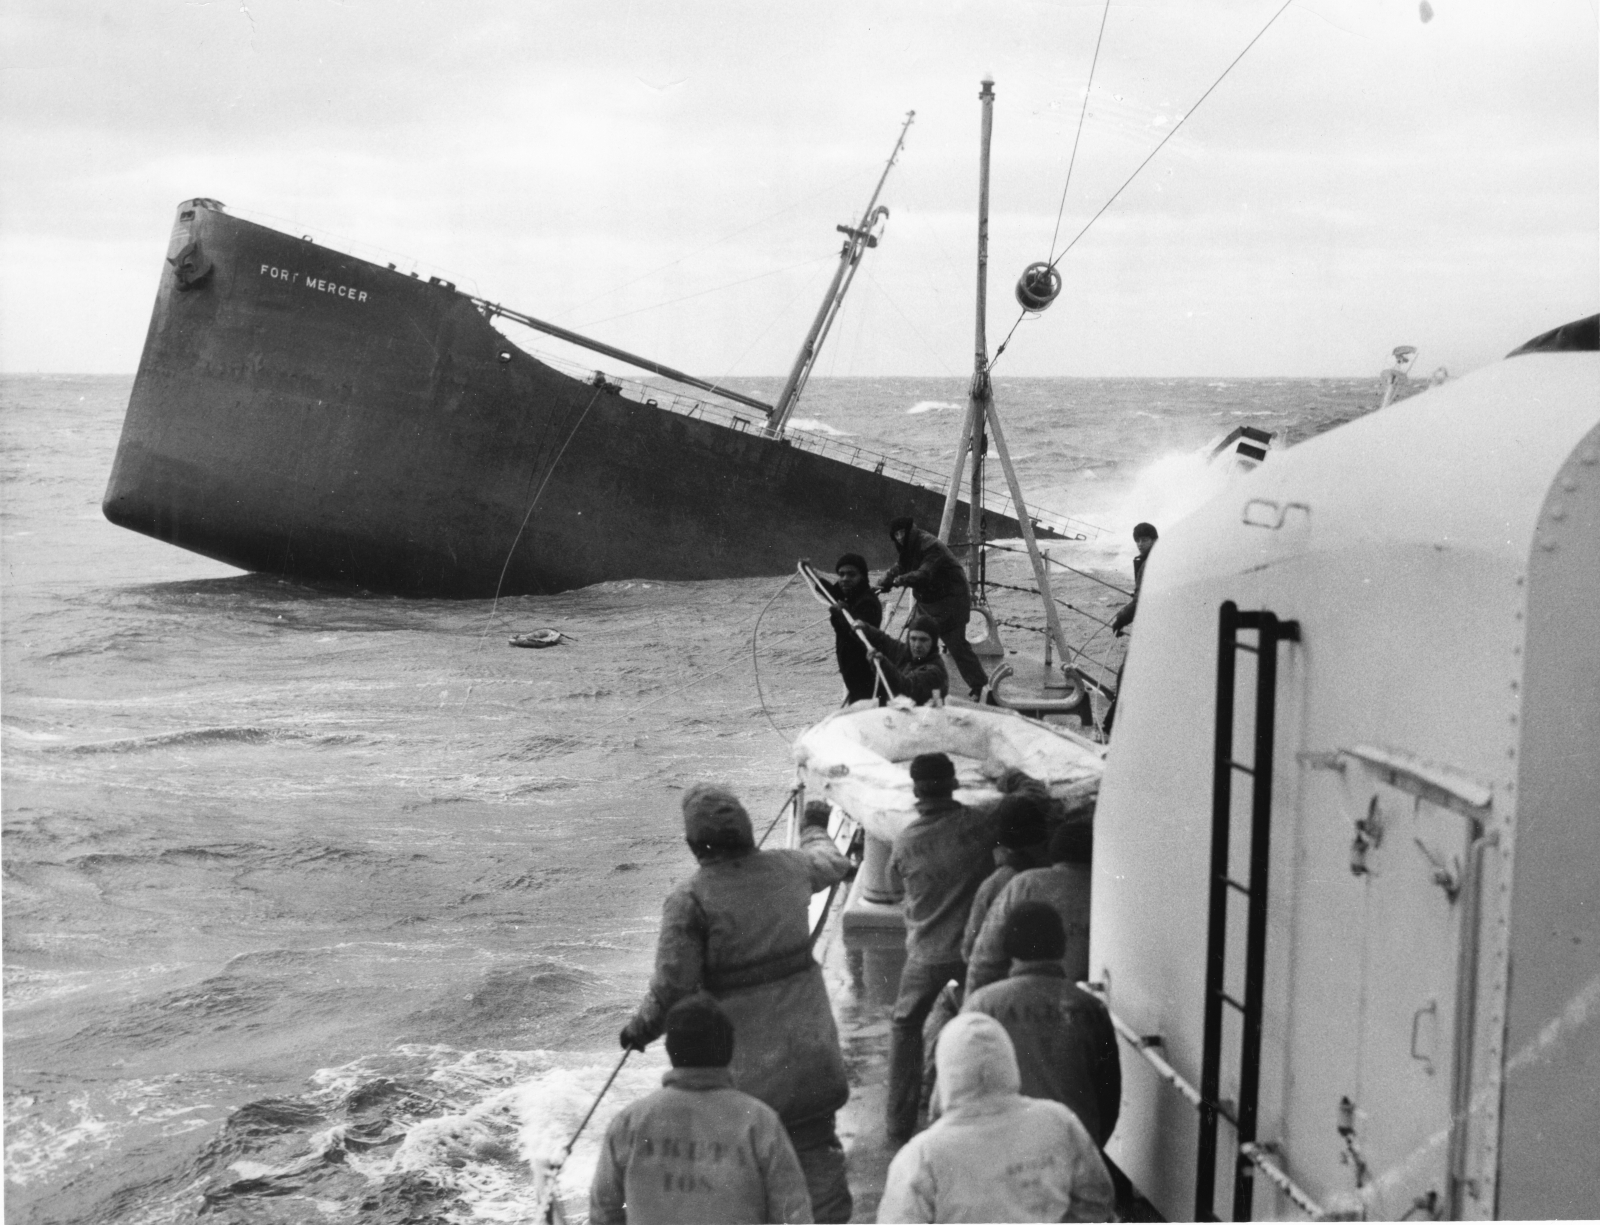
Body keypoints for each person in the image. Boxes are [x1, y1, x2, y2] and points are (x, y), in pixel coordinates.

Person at [619, 787, 855, 1222]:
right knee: (818, 1169)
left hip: (749, 1072)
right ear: (747, 829)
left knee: (752, 1180)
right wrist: (815, 825)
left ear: (694, 845)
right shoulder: (791, 867)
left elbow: (672, 988)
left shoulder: (689, 900)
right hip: (812, 1057)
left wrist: (640, 1029)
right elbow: (835, 862)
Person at [591, 996, 814, 1225]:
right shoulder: (760, 1121)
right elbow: (794, 1215)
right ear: (729, 1048)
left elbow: (603, 1213)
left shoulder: (629, 1123)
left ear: (670, 1050)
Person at [876, 1012, 1115, 1223]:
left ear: (947, 1073)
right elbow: (1097, 1200)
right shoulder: (1057, 1120)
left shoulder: (921, 1156)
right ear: (1008, 1060)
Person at [884, 753, 1000, 1140]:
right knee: (979, 1025)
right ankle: (974, 1109)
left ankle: (898, 1123)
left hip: (924, 955)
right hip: (970, 955)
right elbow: (1029, 797)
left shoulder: (904, 843)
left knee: (905, 1026)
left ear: (916, 791)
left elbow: (896, 887)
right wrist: (1006, 772)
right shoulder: (981, 824)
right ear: (954, 784)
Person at [962, 903, 1121, 1149]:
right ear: (1061, 944)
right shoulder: (1091, 1009)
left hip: (1001, 1149)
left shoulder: (983, 1005)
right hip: (1073, 1147)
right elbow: (1109, 1098)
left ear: (1007, 944)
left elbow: (956, 1088)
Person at [965, 817, 1093, 998]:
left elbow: (985, 958)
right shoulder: (1106, 891)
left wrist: (974, 1008)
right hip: (1082, 1005)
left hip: (1019, 1001)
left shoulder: (1025, 883)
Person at [877, 516, 989, 698]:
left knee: (957, 646)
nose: (899, 537)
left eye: (901, 533)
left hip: (951, 602)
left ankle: (981, 688)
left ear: (909, 531)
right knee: (915, 642)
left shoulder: (930, 545)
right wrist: (884, 582)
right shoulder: (909, 547)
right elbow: (901, 566)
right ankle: (910, 683)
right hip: (928, 602)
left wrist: (901, 580)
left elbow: (925, 573)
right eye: (895, 534)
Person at [821, 552, 884, 703]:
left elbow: (856, 632)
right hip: (852, 675)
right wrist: (810, 572)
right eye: (841, 574)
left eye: (851, 574)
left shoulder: (867, 602)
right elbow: (831, 592)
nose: (844, 579)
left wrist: (840, 614)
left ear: (862, 576)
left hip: (865, 676)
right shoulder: (851, 596)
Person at [860, 614, 949, 706]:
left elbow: (907, 688)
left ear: (933, 642)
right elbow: (884, 641)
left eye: (923, 640)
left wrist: (883, 664)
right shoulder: (906, 653)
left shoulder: (935, 672)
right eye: (913, 639)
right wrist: (865, 628)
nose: (917, 645)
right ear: (908, 638)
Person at [1109, 522, 1157, 636]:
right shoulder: (1154, 558)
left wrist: (1120, 620)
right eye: (1137, 540)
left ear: (1154, 540)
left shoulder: (1149, 563)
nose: (1140, 544)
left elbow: (1141, 601)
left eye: (1144, 540)